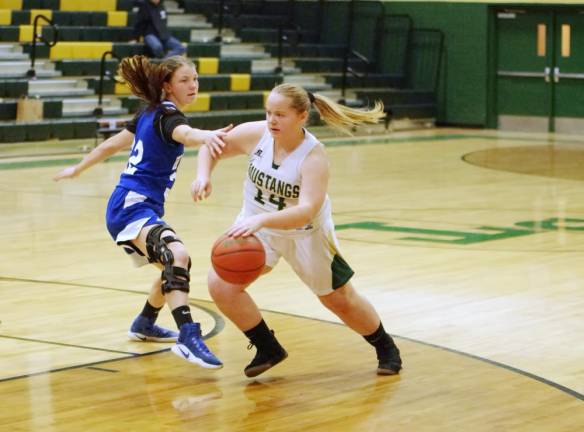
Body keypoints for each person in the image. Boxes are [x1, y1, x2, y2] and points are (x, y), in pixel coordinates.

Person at [191, 83, 403, 378]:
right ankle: (267, 347)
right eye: (268, 113)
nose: (272, 120)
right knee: (221, 285)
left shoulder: (314, 157)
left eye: (280, 114)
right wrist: (203, 176)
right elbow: (211, 147)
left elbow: (306, 209)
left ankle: (385, 346)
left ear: (302, 116)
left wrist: (263, 221)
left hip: (305, 234)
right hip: (256, 224)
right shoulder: (258, 134)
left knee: (338, 300)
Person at [54, 55, 231, 370]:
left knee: (172, 266)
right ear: (167, 85)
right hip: (131, 205)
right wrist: (208, 136)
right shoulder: (167, 116)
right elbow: (188, 136)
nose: (193, 86)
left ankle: (144, 323)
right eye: (184, 80)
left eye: (195, 79)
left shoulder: (149, 112)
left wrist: (78, 168)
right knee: (177, 254)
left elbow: (111, 146)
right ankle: (188, 336)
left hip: (131, 203)